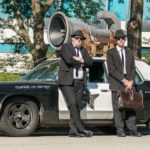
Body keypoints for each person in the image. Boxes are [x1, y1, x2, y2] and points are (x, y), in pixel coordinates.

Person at [58, 30, 93, 137]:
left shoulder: (83, 50)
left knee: (77, 106)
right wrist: (82, 61)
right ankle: (81, 128)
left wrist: (80, 59)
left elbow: (90, 62)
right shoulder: (66, 47)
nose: (79, 40)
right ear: (72, 38)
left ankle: (73, 131)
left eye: (81, 39)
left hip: (80, 82)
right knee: (72, 103)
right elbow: (69, 60)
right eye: (77, 38)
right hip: (67, 82)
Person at [107, 29, 141, 137]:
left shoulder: (130, 52)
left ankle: (132, 129)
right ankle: (120, 130)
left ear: (125, 39)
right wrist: (124, 80)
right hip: (117, 82)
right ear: (116, 40)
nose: (121, 40)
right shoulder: (110, 53)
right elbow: (111, 70)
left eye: (122, 38)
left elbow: (132, 68)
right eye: (118, 38)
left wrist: (131, 81)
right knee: (117, 108)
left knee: (131, 106)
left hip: (129, 82)